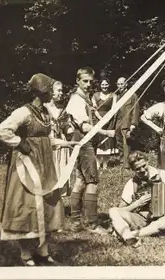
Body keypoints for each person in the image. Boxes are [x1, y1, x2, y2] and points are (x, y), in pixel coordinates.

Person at [0, 73, 78, 266]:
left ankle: (43, 251)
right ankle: (25, 254)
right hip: (27, 166)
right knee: (28, 206)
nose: (53, 94)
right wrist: (18, 142)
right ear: (42, 92)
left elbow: (45, 140)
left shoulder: (46, 112)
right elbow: (1, 130)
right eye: (50, 90)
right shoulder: (23, 112)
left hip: (45, 165)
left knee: (47, 204)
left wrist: (67, 143)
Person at [65, 67, 114, 234]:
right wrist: (105, 132)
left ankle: (76, 222)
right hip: (84, 142)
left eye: (90, 81)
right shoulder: (77, 100)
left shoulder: (84, 98)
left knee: (80, 180)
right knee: (92, 180)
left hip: (81, 142)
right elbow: (84, 126)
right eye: (85, 81)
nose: (88, 84)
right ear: (77, 80)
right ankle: (93, 223)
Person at [108, 150, 165, 245]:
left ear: (147, 161)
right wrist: (137, 204)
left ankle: (127, 234)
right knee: (113, 211)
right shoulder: (131, 184)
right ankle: (130, 236)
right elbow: (121, 208)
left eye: (144, 166)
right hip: (141, 219)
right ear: (133, 170)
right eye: (138, 169)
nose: (142, 170)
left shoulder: (163, 175)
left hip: (161, 218)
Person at [44, 80, 74, 198]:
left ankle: (59, 198)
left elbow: (65, 127)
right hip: (48, 141)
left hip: (61, 143)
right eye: (59, 90)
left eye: (62, 90)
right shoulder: (43, 108)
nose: (61, 93)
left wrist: (71, 130)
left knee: (61, 168)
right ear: (51, 92)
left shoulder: (62, 109)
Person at [92, 77, 118, 170]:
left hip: (109, 120)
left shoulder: (113, 95)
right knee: (99, 141)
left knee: (107, 141)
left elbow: (114, 108)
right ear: (100, 85)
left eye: (106, 84)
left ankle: (105, 164)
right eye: (103, 84)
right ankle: (98, 164)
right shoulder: (95, 95)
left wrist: (108, 118)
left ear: (109, 85)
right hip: (98, 119)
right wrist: (100, 118)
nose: (104, 86)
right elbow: (94, 109)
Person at [114, 77, 140, 167]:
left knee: (127, 145)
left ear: (126, 84)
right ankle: (122, 162)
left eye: (122, 84)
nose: (120, 86)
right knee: (119, 144)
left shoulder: (132, 95)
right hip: (118, 124)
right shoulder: (117, 97)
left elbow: (135, 111)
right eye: (118, 84)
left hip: (127, 124)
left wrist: (133, 124)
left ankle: (127, 165)